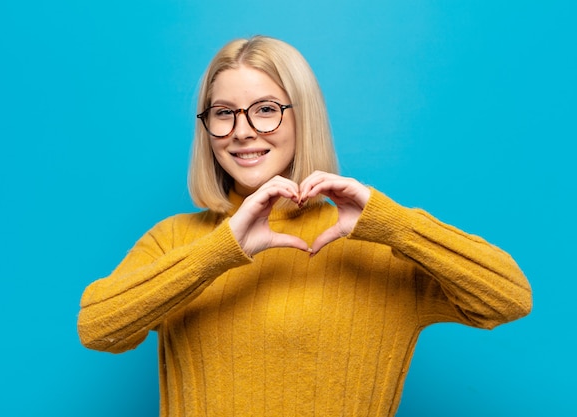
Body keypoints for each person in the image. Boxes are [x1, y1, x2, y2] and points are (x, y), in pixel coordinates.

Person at [77, 35, 532, 417]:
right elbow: (99, 328)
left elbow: (509, 298)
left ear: (303, 117)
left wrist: (395, 227)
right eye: (223, 113)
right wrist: (220, 249)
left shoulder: (372, 243)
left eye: (266, 109)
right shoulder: (175, 239)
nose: (242, 131)